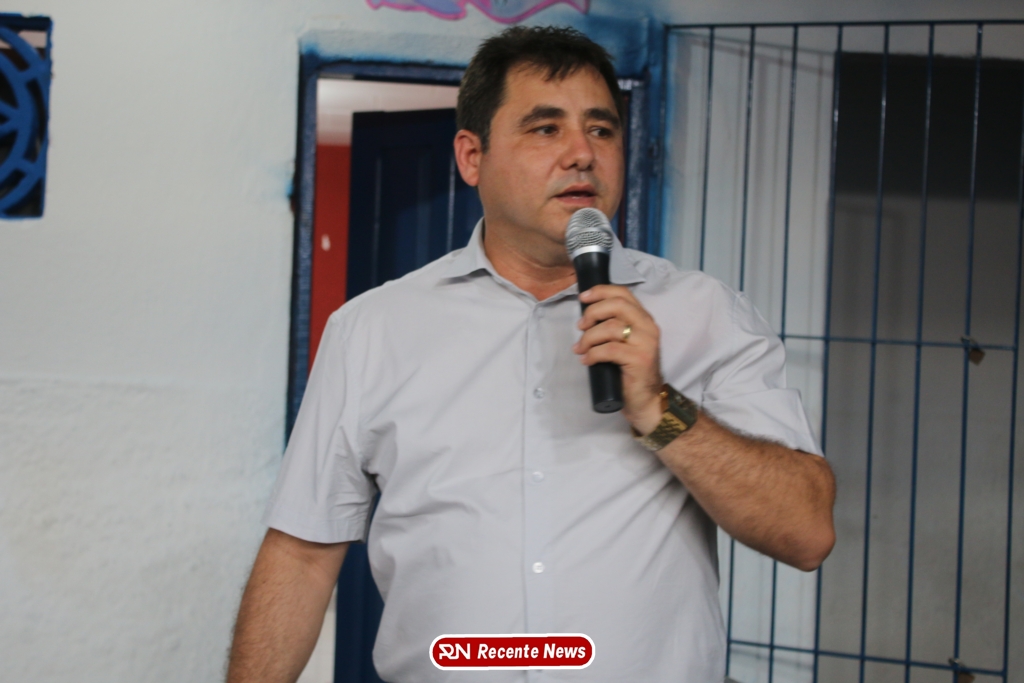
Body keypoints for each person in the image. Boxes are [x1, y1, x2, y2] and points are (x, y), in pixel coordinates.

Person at [227, 26, 836, 683]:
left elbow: (805, 531)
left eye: (601, 129)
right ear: (471, 156)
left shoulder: (707, 314)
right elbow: (302, 554)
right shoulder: (371, 330)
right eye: (546, 129)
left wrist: (662, 409)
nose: (582, 154)